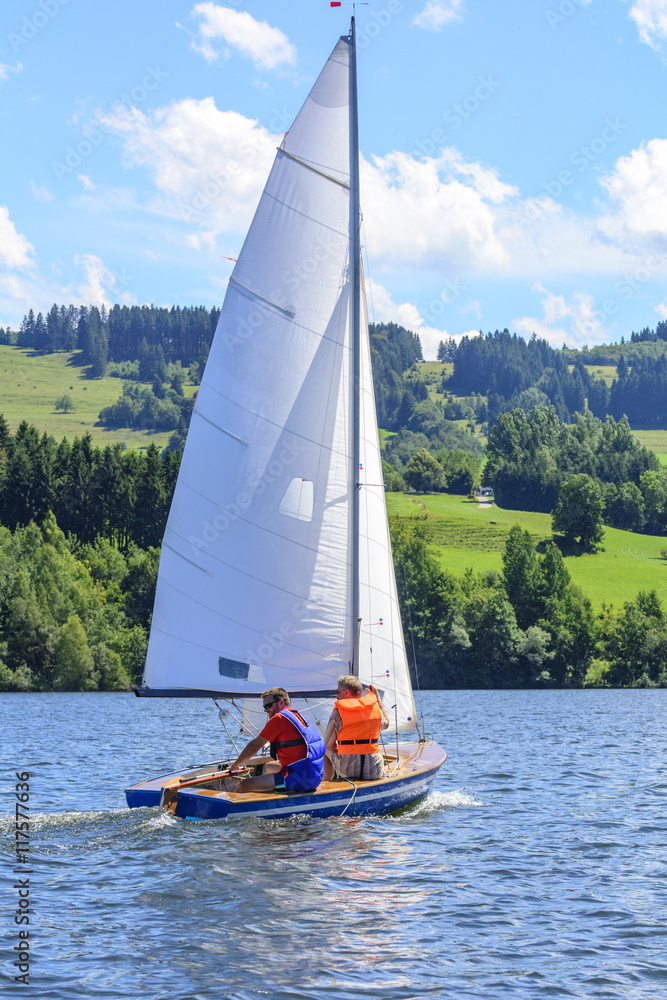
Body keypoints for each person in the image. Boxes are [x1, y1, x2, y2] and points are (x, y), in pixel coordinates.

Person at [228, 687, 325, 793]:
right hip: (314, 776)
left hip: (301, 780)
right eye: (264, 706)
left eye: (268, 706)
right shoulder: (297, 715)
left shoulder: (279, 718)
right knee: (270, 766)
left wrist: (235, 765)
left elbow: (254, 745)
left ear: (281, 702)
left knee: (244, 785)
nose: (265, 710)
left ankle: (241, 808)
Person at [323, 675, 389, 781]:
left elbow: (327, 745)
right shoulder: (375, 708)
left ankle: (327, 783)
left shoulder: (338, 713)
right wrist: (377, 697)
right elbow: (386, 724)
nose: (336, 695)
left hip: (347, 769)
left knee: (323, 747)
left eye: (338, 691)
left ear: (346, 692)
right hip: (374, 768)